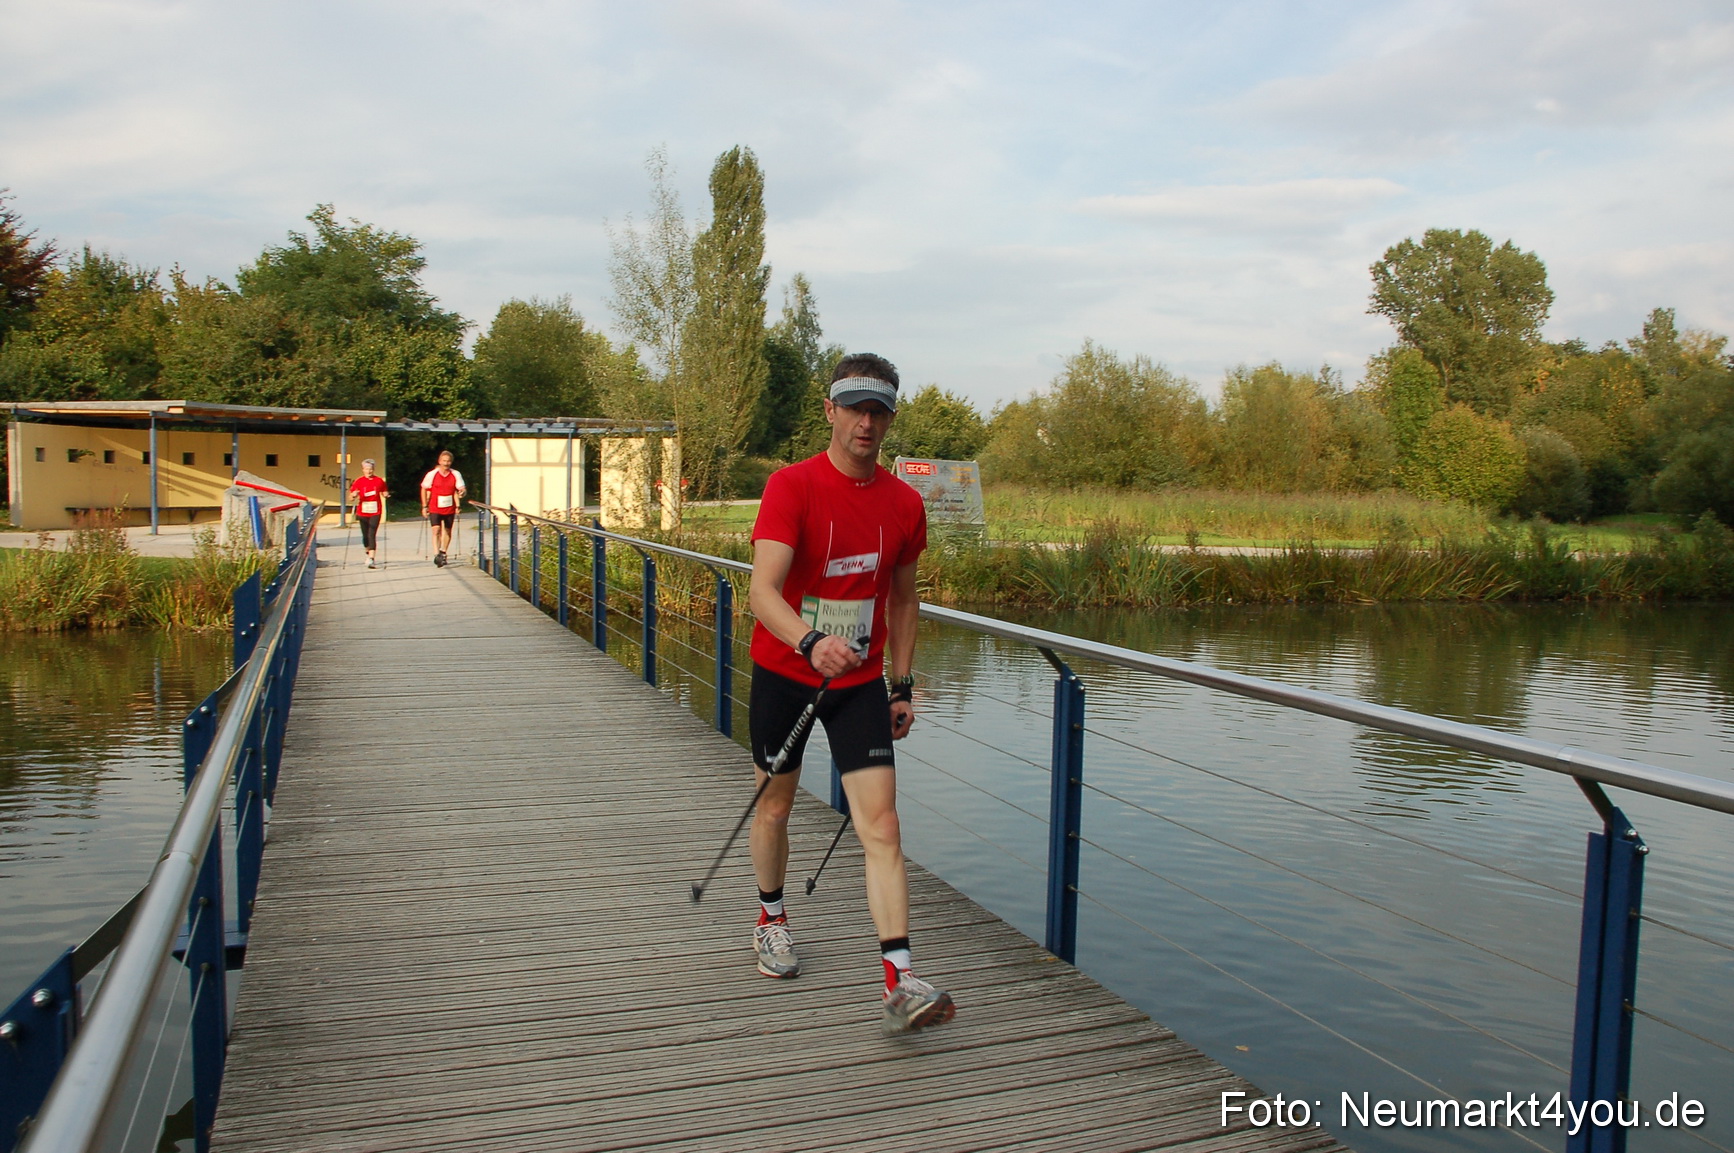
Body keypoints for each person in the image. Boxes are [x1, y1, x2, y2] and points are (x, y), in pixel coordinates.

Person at [745, 352, 954, 1035]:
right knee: (775, 807)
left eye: (880, 410)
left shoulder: (903, 504)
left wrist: (902, 682)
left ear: (891, 418)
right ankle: (771, 917)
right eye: (855, 408)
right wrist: (808, 640)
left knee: (883, 825)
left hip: (860, 684)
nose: (867, 422)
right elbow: (761, 591)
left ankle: (901, 977)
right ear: (830, 411)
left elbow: (902, 599)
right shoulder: (792, 486)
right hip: (787, 671)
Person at [420, 450, 466, 567]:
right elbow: (424, 489)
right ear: (439, 461)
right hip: (435, 507)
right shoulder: (432, 474)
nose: (446, 463)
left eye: (448, 461)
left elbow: (461, 489)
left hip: (449, 508)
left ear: (451, 462)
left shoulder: (456, 474)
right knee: (436, 530)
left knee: (447, 531)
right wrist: (424, 506)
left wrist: (462, 493)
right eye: (444, 461)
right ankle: (436, 554)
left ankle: (443, 551)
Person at [348, 459, 389, 569]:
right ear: (363, 470)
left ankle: (371, 558)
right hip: (363, 511)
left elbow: (384, 491)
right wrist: (354, 495)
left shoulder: (379, 481)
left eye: (370, 469)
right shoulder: (359, 481)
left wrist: (386, 495)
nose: (369, 471)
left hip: (375, 511)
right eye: (366, 469)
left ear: (373, 469)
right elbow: (351, 497)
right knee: (365, 536)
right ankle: (368, 550)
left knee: (372, 534)